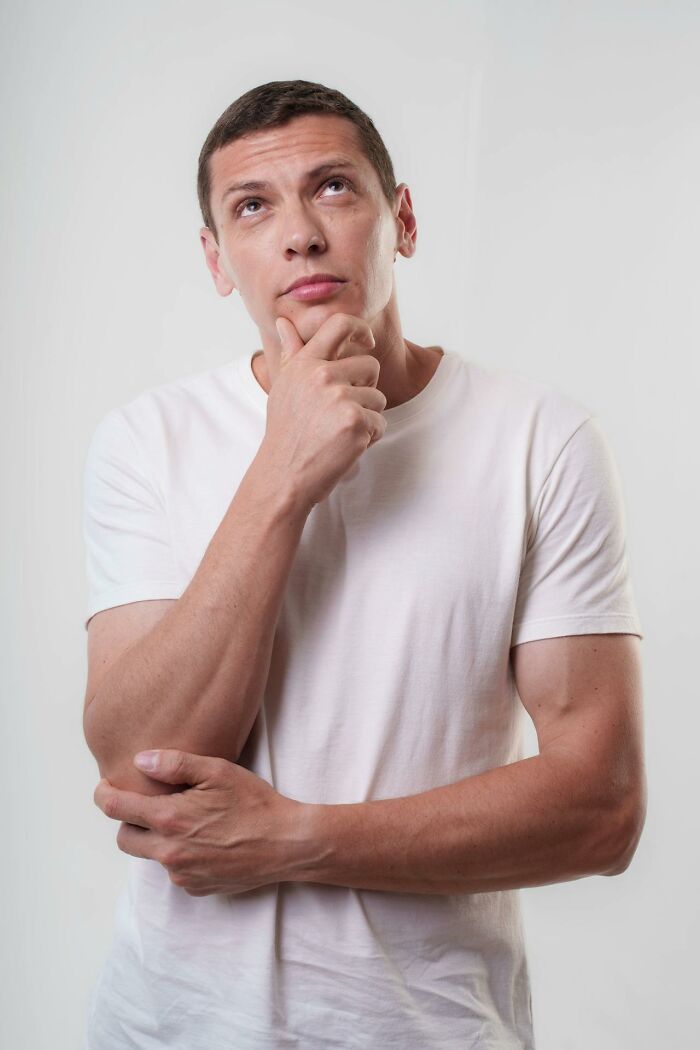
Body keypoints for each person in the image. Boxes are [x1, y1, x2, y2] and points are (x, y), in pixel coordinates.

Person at [81, 79, 646, 1050]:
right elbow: (139, 768)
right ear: (217, 260)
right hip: (169, 1028)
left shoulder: (540, 440)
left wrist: (293, 839)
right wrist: (281, 474)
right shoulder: (146, 441)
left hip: (429, 1030)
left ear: (403, 221)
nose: (300, 235)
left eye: (333, 188)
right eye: (252, 207)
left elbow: (600, 807)